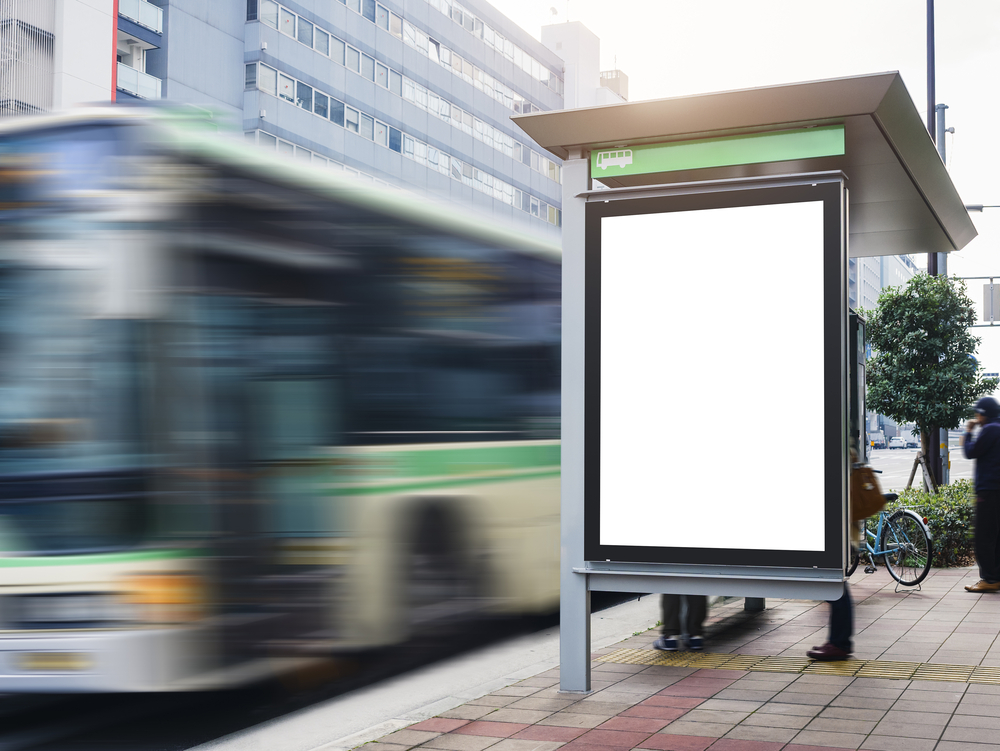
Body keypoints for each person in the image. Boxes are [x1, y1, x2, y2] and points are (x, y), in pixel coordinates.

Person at [962, 396, 1000, 593]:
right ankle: (996, 577)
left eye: (978, 412)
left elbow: (970, 451)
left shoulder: (990, 429)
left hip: (988, 489)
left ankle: (989, 579)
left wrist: (968, 434)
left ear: (984, 414)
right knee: (996, 536)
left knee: (983, 537)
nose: (976, 416)